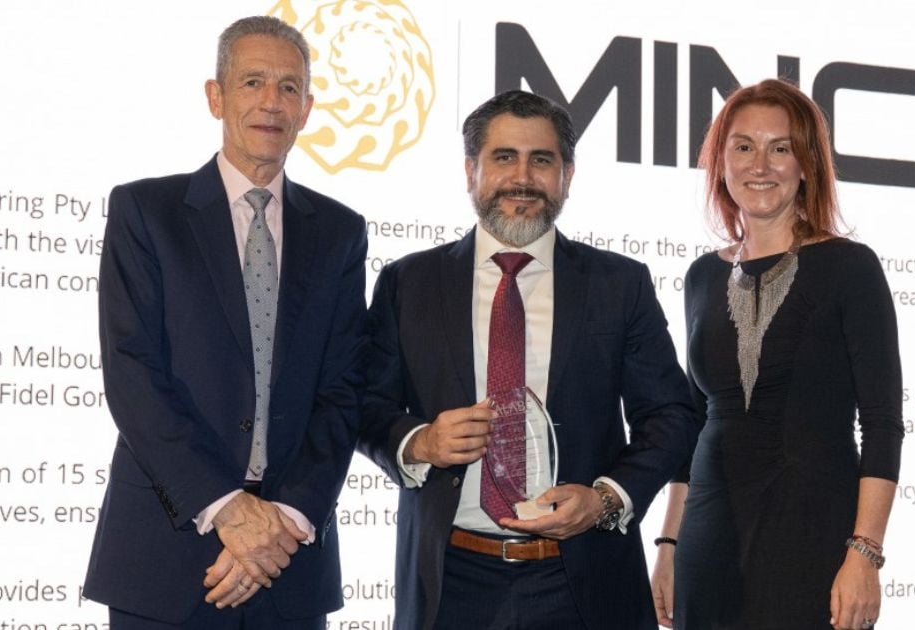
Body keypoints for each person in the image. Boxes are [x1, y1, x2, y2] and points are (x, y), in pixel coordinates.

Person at [358, 89, 701, 630]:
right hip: (448, 581)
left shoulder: (619, 284)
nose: (522, 177)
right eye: (503, 157)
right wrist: (420, 442)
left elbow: (671, 416)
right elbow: (364, 405)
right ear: (470, 171)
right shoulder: (409, 281)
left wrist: (605, 499)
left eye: (541, 160)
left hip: (584, 582)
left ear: (567, 174)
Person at [83, 16, 367, 629]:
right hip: (165, 554)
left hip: (289, 559)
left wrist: (284, 521)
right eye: (252, 82)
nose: (272, 102)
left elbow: (344, 390)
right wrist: (229, 510)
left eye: (289, 88)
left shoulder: (340, 232)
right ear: (216, 96)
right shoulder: (146, 211)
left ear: (308, 109)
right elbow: (132, 373)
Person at [650, 78, 904, 630]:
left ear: (807, 164)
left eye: (780, 148)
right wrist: (669, 544)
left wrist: (865, 553)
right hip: (709, 538)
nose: (759, 165)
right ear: (721, 163)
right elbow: (694, 423)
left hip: (814, 537)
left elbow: (883, 425)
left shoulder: (851, 267)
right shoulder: (701, 276)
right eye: (743, 147)